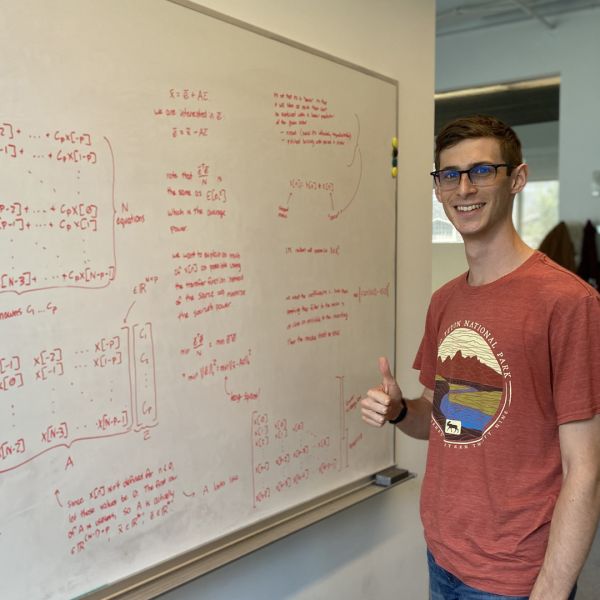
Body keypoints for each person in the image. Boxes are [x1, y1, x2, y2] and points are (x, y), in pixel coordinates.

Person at [361, 115, 600, 600]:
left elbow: (586, 470)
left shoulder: (569, 302)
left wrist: (551, 590)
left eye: (482, 171)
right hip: (444, 555)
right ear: (438, 188)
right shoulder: (446, 300)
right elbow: (440, 419)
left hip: (515, 578)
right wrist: (401, 409)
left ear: (517, 179)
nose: (464, 188)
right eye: (450, 175)